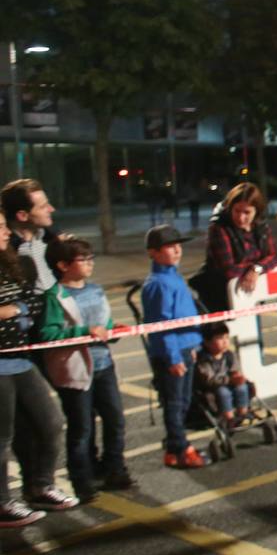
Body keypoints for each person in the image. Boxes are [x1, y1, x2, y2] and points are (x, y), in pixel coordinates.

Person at [40, 234, 133, 502]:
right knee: (82, 428)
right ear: (63, 265)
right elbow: (49, 334)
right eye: (83, 259)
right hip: (75, 370)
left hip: (104, 365)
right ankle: (82, 479)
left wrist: (114, 331)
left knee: (115, 419)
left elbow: (105, 324)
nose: (90, 263)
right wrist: (85, 331)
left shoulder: (95, 290)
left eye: (91, 258)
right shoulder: (55, 297)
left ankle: (115, 468)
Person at [0, 211, 73, 527]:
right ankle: (2, 504)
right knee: (2, 438)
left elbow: (31, 298)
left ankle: (40, 486)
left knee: (51, 422)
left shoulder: (11, 262)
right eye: (0, 227)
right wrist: (13, 309)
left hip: (21, 358)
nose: (6, 232)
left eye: (4, 225)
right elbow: (16, 306)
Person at [142, 224, 208, 468]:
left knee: (184, 402)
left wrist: (192, 344)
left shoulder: (173, 276)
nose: (177, 250)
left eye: (178, 245)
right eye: (170, 247)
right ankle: (180, 449)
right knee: (174, 403)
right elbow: (162, 325)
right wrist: (173, 357)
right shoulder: (158, 283)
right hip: (172, 353)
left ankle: (174, 446)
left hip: (185, 347)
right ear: (154, 252)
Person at [197, 182, 277, 313]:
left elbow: (274, 256)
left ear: (256, 211)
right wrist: (255, 268)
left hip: (250, 298)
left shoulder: (261, 227)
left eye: (247, 212)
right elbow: (228, 269)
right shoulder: (219, 228)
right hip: (219, 299)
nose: (241, 218)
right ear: (230, 208)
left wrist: (256, 269)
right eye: (237, 211)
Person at [195, 323, 252, 426]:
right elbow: (209, 379)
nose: (225, 341)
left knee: (242, 387)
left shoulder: (229, 355)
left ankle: (243, 412)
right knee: (223, 392)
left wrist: (237, 376)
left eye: (227, 337)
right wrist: (229, 380)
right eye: (220, 338)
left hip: (230, 382)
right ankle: (229, 418)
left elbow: (235, 369)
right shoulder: (204, 360)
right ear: (207, 342)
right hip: (214, 386)